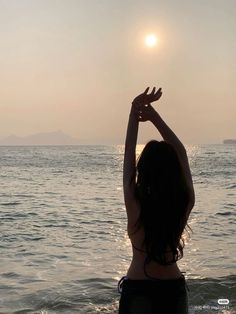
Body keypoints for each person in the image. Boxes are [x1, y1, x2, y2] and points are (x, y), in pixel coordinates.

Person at [118, 87, 195, 314]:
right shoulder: (183, 202)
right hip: (173, 289)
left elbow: (128, 159)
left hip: (139, 289)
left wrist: (134, 114)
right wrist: (155, 118)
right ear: (175, 173)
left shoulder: (135, 203)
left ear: (145, 171)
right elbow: (181, 153)